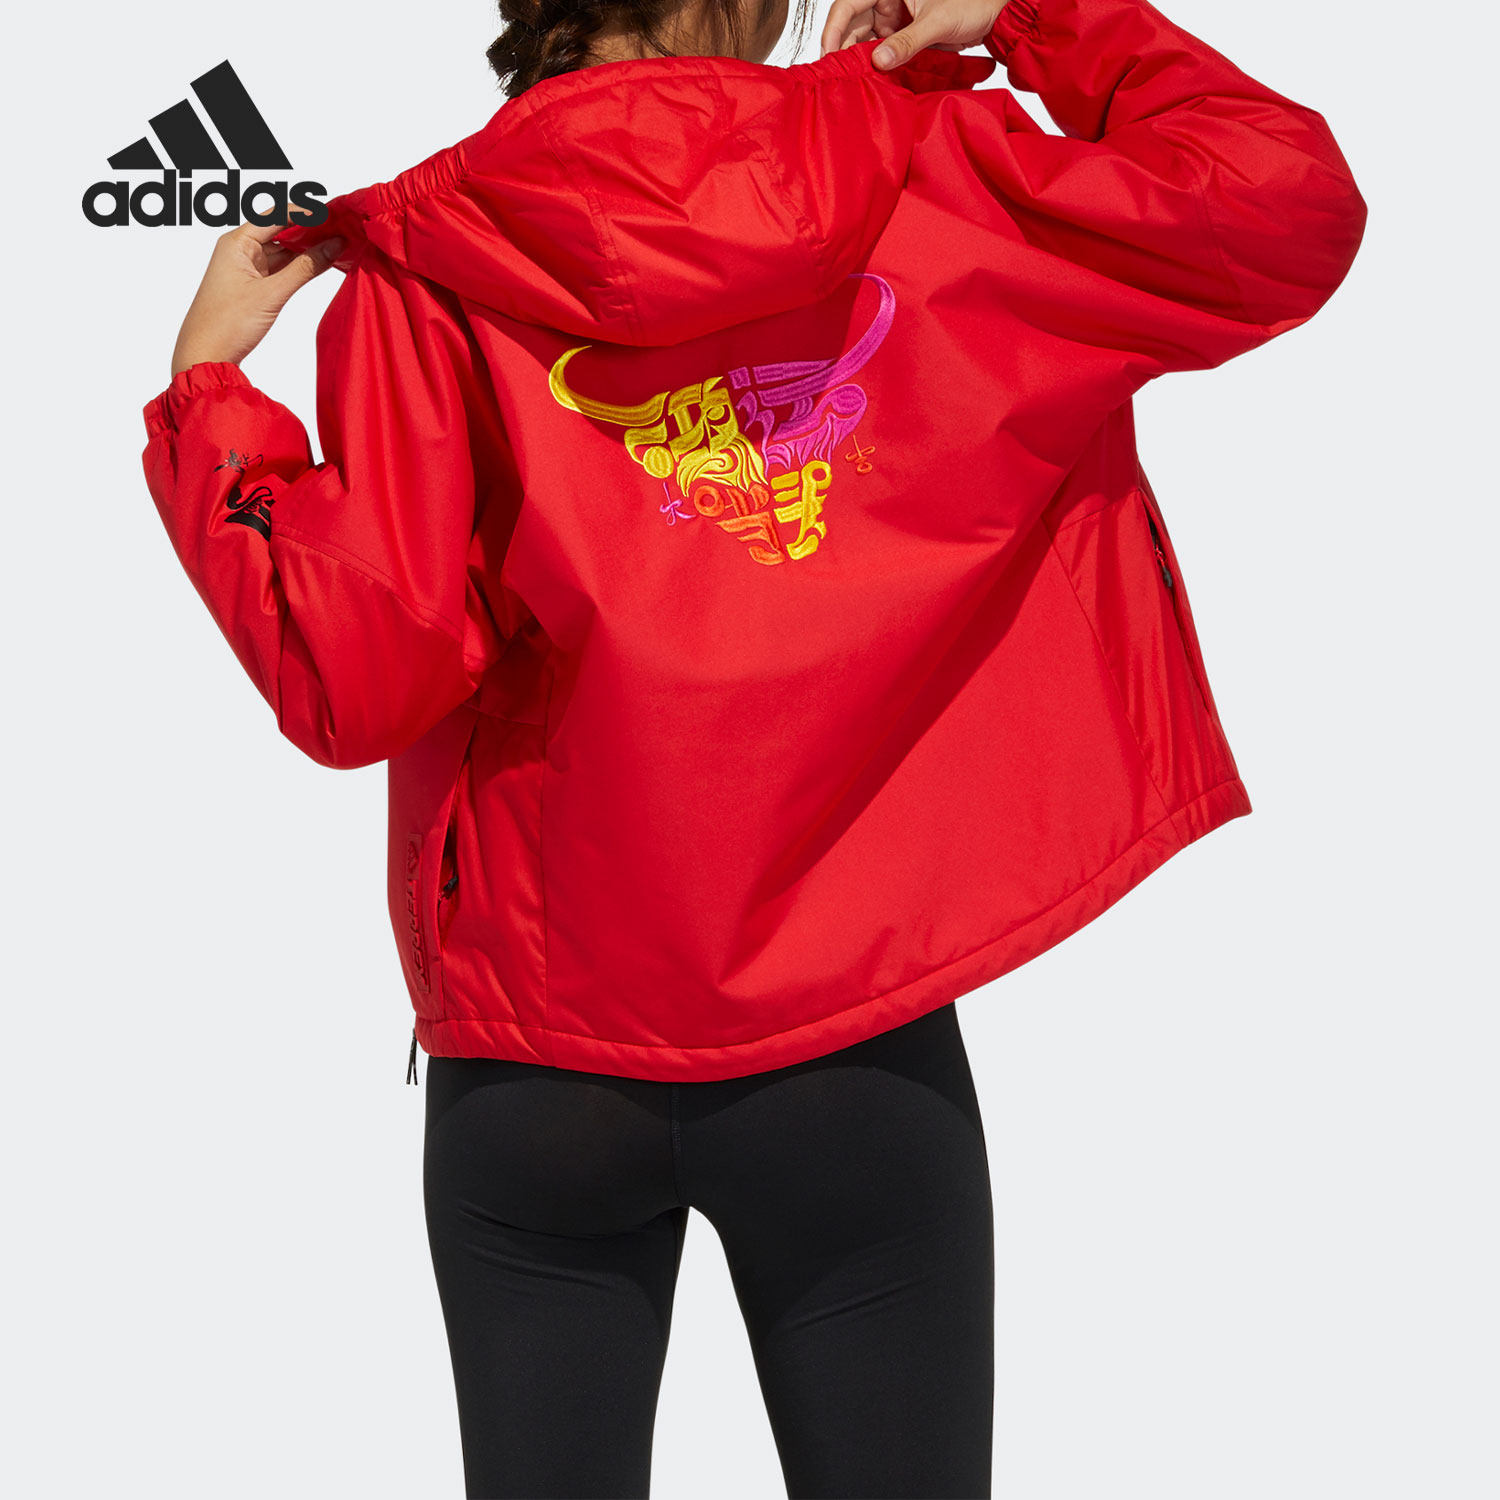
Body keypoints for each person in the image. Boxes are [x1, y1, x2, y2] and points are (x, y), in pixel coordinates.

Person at [139, 0, 1367, 1493]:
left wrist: (211, 398)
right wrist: (1044, 17)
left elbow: (358, 679)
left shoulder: (421, 271)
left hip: (540, 1064)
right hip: (856, 1052)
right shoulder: (937, 168)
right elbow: (1281, 204)